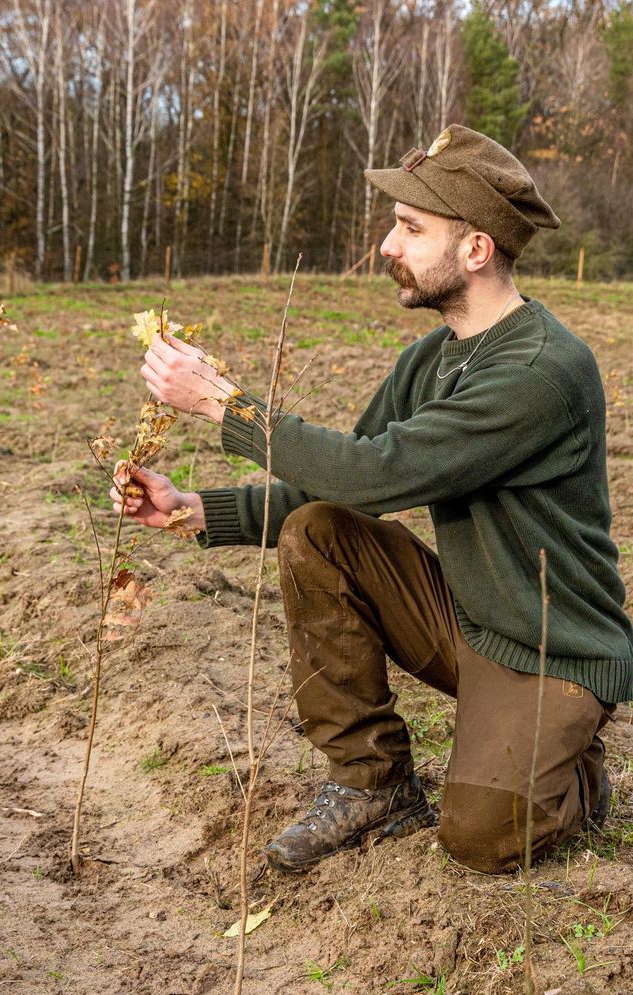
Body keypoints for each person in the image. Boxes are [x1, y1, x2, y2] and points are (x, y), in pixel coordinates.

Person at [110, 125, 633, 875]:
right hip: (471, 617)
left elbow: (378, 472)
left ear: (476, 249)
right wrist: (193, 507)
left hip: (555, 650)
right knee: (318, 531)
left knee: (481, 838)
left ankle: (579, 773)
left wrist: (229, 407)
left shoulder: (543, 371)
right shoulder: (432, 356)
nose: (389, 245)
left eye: (411, 228)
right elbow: (334, 489)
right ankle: (372, 783)